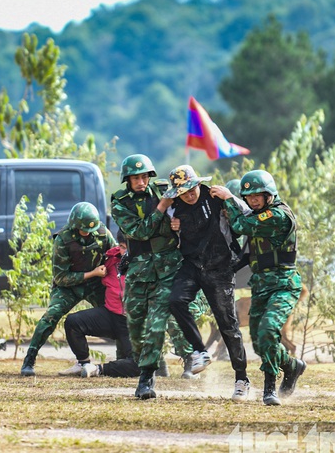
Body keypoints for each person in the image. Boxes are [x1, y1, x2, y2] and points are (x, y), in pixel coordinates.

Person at [211, 170, 306, 406]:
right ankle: (292, 366)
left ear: (269, 194)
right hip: (262, 285)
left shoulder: (276, 215)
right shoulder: (259, 215)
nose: (253, 200)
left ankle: (269, 390)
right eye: (249, 197)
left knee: (267, 332)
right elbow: (248, 254)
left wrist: (228, 198)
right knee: (258, 341)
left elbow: (241, 224)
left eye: (258, 196)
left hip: (284, 285)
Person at [110, 154, 195, 399]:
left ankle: (147, 378)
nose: (141, 182)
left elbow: (191, 204)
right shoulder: (120, 203)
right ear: (128, 180)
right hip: (139, 268)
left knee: (156, 324)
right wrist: (161, 209)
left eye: (144, 176)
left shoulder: (164, 191)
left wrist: (180, 222)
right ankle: (148, 364)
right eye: (136, 178)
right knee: (136, 326)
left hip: (168, 267)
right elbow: (139, 232)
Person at [164, 165, 250, 402]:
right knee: (175, 300)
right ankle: (200, 351)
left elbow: (247, 215)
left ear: (197, 184)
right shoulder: (175, 208)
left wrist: (230, 198)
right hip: (192, 265)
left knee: (227, 325)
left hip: (221, 267)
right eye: (183, 191)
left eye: (192, 188)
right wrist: (174, 229)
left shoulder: (215, 196)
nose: (189, 194)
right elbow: (170, 234)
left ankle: (241, 379)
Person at [20, 202, 116, 377]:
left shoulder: (103, 234)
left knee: (117, 313)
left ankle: (128, 359)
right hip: (69, 286)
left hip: (96, 284)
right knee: (50, 317)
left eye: (90, 229)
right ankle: (29, 360)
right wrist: (91, 273)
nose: (87, 233)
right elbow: (61, 278)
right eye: (83, 229)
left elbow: (116, 255)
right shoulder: (63, 240)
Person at [59, 229, 134, 376]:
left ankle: (97, 369)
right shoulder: (110, 258)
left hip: (133, 323)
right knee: (73, 322)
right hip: (111, 315)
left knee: (138, 364)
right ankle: (83, 363)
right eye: (123, 247)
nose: (125, 252)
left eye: (129, 247)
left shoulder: (146, 262)